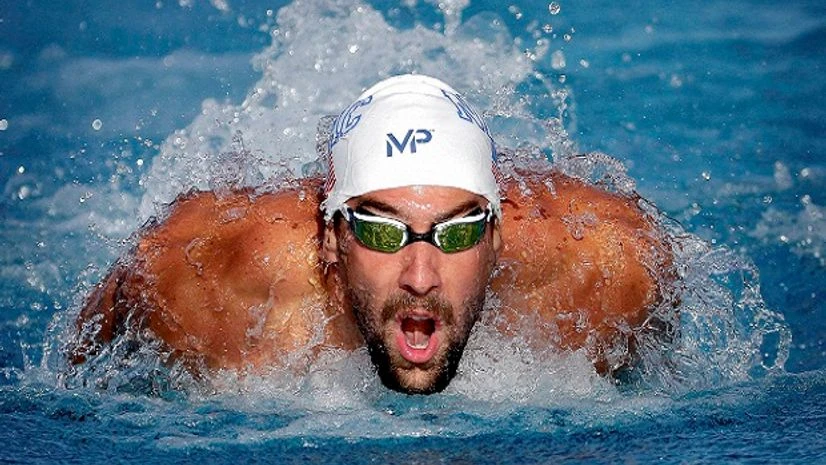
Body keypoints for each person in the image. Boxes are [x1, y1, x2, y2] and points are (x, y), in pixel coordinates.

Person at [71, 74, 673, 394]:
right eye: (382, 233)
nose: (420, 277)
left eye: (458, 231)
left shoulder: (610, 265)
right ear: (331, 238)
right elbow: (83, 372)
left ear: (498, 235)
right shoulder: (208, 278)